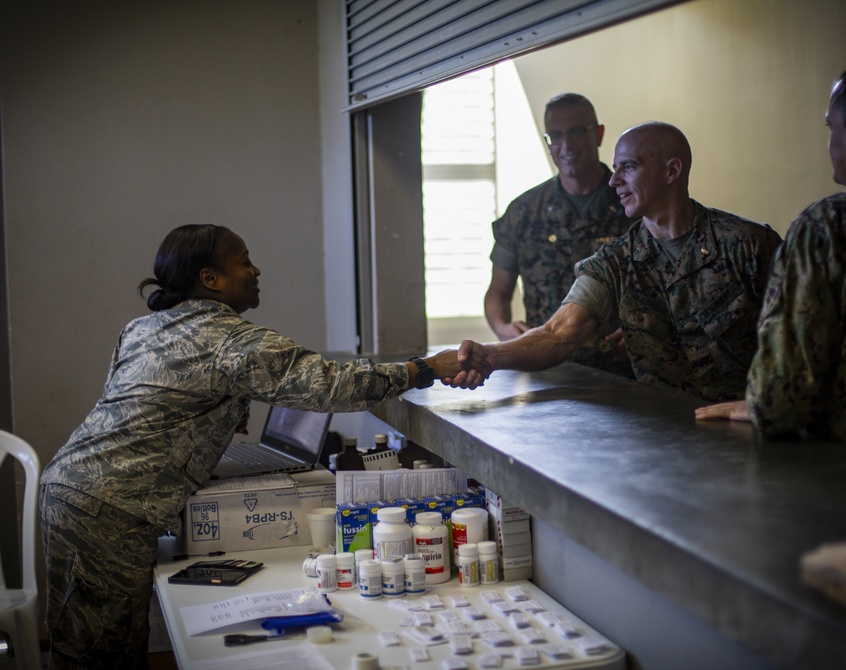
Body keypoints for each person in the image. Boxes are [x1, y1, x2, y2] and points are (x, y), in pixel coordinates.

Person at [38, 224, 485, 669]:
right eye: (243, 261)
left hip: (75, 489)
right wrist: (424, 368)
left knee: (86, 644)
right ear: (210, 279)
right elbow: (331, 385)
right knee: (100, 655)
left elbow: (136, 409)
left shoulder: (143, 327)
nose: (256, 270)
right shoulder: (233, 340)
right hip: (108, 509)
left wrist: (217, 416)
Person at [458, 121, 782, 402]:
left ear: (672, 171)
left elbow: (799, 342)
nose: (614, 182)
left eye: (628, 167)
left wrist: (763, 407)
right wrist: (490, 355)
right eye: (614, 169)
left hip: (751, 433)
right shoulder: (615, 261)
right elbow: (558, 333)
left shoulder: (748, 245)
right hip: (666, 434)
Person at [695, 62, 846, 443]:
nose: (829, 141)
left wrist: (760, 404)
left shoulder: (828, 225)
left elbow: (783, 396)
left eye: (830, 127)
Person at [484, 93, 634, 378]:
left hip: (622, 373)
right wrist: (503, 328)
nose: (567, 146)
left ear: (598, 134)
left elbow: (667, 289)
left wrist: (646, 328)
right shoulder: (524, 212)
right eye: (556, 136)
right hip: (544, 371)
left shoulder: (633, 205)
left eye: (577, 132)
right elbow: (498, 292)